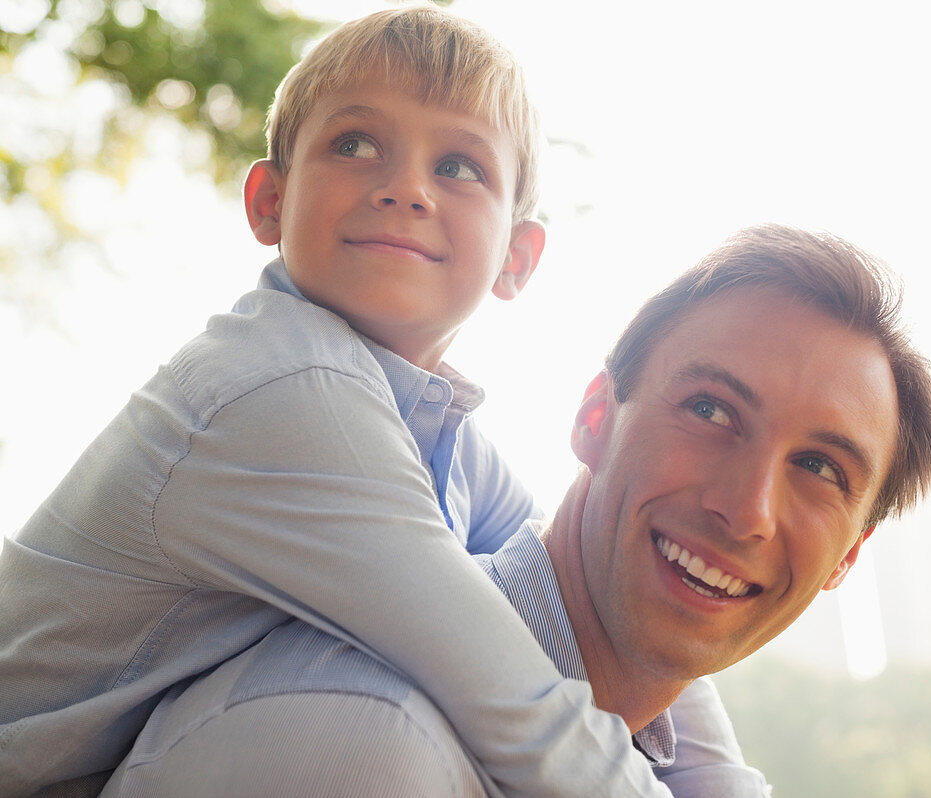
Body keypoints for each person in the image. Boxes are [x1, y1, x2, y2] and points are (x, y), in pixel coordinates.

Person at [0, 7, 745, 797]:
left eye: (459, 166)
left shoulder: (433, 426)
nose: (404, 189)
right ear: (268, 202)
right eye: (355, 145)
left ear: (516, 260)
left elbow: (595, 573)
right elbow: (520, 709)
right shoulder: (280, 391)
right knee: (385, 722)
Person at [99, 224, 931, 797]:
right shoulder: (372, 746)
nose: (746, 509)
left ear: (848, 555)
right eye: (711, 411)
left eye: (818, 467)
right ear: (592, 419)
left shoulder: (655, 748)